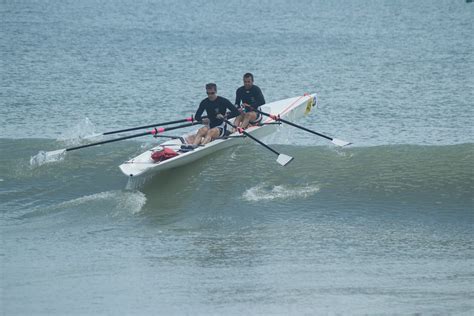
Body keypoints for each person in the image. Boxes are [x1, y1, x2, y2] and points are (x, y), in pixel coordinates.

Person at [185, 83, 240, 149]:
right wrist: (202, 121)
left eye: (212, 93)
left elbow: (236, 112)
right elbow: (197, 117)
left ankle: (201, 148)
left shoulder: (223, 101)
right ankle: (193, 146)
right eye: (208, 93)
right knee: (201, 130)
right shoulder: (204, 102)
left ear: (216, 91)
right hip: (210, 125)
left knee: (210, 132)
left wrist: (225, 117)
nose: (210, 95)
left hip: (221, 126)